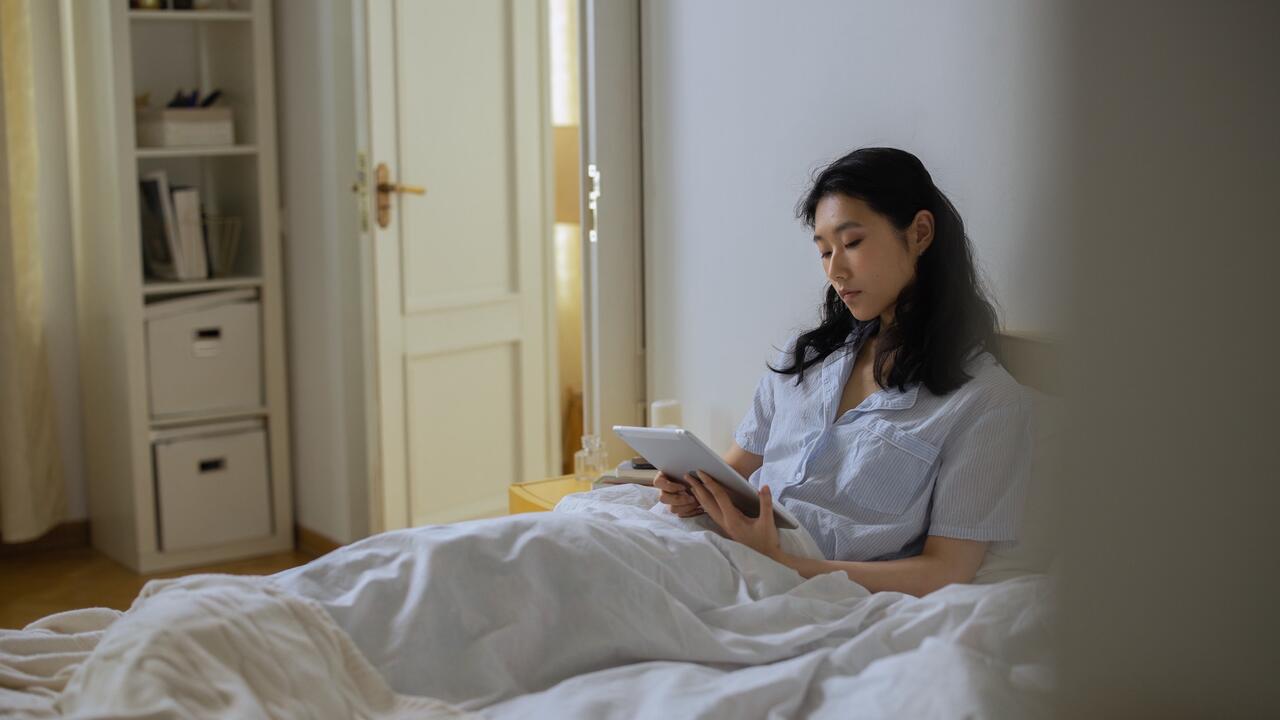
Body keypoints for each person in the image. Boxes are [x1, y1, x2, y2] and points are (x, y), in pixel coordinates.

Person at [655, 147, 1032, 597]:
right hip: (711, 546)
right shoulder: (808, 358)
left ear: (920, 233)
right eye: (824, 251)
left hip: (793, 582)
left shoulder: (986, 402)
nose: (835, 269)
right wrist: (692, 489)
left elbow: (945, 570)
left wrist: (783, 564)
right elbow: (735, 469)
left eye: (852, 243)